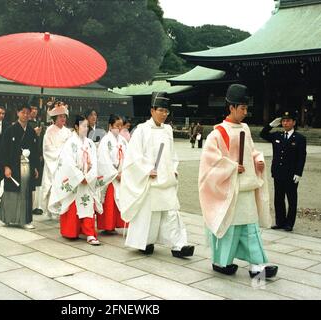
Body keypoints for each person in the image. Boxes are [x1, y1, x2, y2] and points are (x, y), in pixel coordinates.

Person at [199, 84, 278, 279]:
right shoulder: (218, 133)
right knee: (230, 228)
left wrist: (258, 160)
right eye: (242, 108)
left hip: (247, 186)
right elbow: (210, 162)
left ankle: (257, 265)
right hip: (230, 189)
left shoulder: (245, 128)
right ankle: (221, 262)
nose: (245, 112)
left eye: (246, 108)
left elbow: (252, 151)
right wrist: (231, 167)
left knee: (250, 227)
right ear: (231, 107)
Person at [120, 92, 195, 259]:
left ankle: (179, 245)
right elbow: (133, 157)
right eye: (161, 110)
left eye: (166, 111)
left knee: (171, 212)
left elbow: (172, 154)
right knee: (150, 215)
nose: (164, 114)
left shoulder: (168, 130)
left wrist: (174, 168)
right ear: (152, 110)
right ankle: (146, 242)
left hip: (166, 179)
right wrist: (147, 170)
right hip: (151, 180)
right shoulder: (141, 130)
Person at [48, 114, 102, 245]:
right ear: (76, 127)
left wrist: (88, 176)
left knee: (87, 205)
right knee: (74, 206)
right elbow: (68, 163)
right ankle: (72, 231)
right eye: (83, 126)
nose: (86, 128)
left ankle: (89, 234)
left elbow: (95, 161)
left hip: (87, 180)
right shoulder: (70, 143)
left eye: (87, 126)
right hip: (75, 182)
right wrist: (79, 176)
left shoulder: (90, 144)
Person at [260, 110, 307, 232]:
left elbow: (302, 157)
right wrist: (270, 125)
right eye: (283, 121)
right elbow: (262, 134)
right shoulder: (277, 135)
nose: (285, 123)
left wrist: (298, 173)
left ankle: (289, 223)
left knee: (291, 199)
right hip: (278, 172)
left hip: (291, 175)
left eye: (288, 121)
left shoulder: (300, 138)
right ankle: (280, 222)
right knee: (278, 198)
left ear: (294, 122)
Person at [0, 105, 39, 229]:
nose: (25, 115)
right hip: (13, 165)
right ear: (17, 113)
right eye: (23, 112)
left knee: (26, 192)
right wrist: (6, 166)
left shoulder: (31, 131)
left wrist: (35, 167)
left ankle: (25, 220)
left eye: (27, 113)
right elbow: (4, 149)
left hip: (27, 166)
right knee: (11, 192)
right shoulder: (10, 130)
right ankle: (8, 218)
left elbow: (35, 151)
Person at [97, 114, 129, 234]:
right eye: (117, 126)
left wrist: (124, 171)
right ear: (110, 126)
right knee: (110, 201)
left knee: (121, 200)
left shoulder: (123, 141)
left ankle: (117, 223)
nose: (119, 128)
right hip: (110, 176)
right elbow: (103, 160)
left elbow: (129, 157)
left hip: (121, 173)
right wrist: (115, 174)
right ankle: (107, 225)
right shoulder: (105, 140)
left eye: (121, 126)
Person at [42, 102, 72, 218]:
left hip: (64, 162)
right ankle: (50, 210)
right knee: (51, 184)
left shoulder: (68, 131)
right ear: (55, 118)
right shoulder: (49, 131)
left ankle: (62, 209)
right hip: (53, 162)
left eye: (64, 116)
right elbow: (48, 148)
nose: (63, 118)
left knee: (63, 184)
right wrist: (60, 153)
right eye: (60, 116)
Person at [27, 97, 45, 215]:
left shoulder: (40, 124)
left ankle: (37, 205)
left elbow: (42, 140)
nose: (34, 111)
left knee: (39, 181)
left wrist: (42, 153)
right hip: (28, 156)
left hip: (39, 155)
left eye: (35, 109)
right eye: (32, 109)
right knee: (30, 181)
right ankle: (30, 205)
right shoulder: (26, 124)